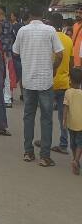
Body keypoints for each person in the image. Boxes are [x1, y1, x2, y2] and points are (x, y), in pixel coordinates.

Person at [13, 6, 64, 167]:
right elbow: (60, 54)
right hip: (45, 81)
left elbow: (15, 52)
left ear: (29, 15)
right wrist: (54, 68)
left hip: (28, 81)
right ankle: (45, 156)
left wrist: (28, 60)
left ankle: (28, 152)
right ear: (42, 15)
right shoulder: (50, 30)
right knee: (46, 118)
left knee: (28, 116)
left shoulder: (23, 31)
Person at [50, 13, 73, 154]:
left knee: (46, 114)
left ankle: (46, 140)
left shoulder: (50, 38)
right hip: (65, 83)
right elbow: (71, 63)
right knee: (62, 116)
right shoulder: (68, 40)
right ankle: (63, 143)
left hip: (50, 82)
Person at [63, 67, 82, 174]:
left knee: (73, 143)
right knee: (80, 143)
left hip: (71, 123)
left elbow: (65, 107)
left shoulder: (68, 92)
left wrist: (64, 120)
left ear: (70, 79)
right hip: (81, 124)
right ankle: (76, 160)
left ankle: (75, 159)